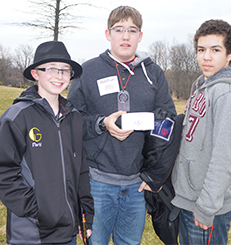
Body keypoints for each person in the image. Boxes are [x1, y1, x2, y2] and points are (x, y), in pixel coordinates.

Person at [67, 5, 176, 245]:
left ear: (140, 36)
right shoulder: (88, 71)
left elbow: (168, 121)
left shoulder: (154, 73)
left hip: (137, 185)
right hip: (97, 182)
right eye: (119, 29)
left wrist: (154, 174)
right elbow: (70, 121)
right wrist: (101, 124)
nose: (125, 36)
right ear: (108, 34)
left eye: (132, 30)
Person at [0, 41, 94, 245]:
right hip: (30, 233)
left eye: (65, 70)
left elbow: (81, 170)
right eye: (51, 69)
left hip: (67, 233)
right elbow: (4, 172)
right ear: (35, 74)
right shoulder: (17, 117)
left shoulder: (74, 117)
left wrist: (84, 213)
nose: (59, 76)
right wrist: (39, 210)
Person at [171, 19, 231, 245]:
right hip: (191, 199)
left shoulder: (227, 96)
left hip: (207, 207)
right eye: (201, 50)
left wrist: (206, 208)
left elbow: (226, 160)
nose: (206, 57)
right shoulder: (202, 86)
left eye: (215, 50)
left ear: (230, 54)